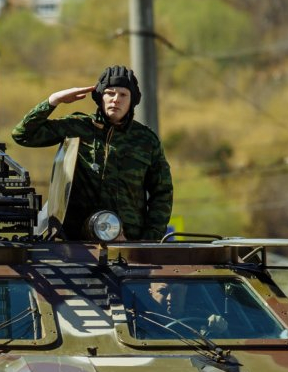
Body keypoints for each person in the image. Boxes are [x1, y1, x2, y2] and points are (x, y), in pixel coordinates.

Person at [11, 65, 173, 242]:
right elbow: (23, 135)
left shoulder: (146, 140)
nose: (116, 99)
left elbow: (162, 192)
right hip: (76, 241)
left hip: (129, 241)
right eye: (110, 93)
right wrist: (53, 101)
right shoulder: (77, 127)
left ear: (132, 101)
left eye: (123, 95)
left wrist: (148, 240)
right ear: (100, 96)